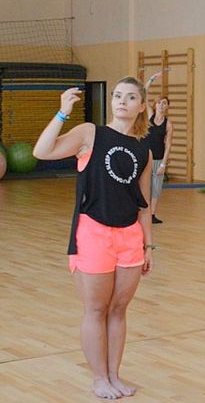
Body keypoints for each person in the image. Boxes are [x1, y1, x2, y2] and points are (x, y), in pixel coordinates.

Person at [33, 77, 154, 399]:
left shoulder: (144, 149)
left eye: (131, 97)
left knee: (118, 310)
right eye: (117, 95)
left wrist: (148, 245)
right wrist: (62, 113)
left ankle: (114, 375)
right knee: (96, 309)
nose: (122, 101)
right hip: (93, 232)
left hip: (129, 236)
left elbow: (144, 204)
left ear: (142, 106)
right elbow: (42, 151)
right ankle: (99, 378)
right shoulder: (90, 133)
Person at [144, 72, 174, 224]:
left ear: (167, 106)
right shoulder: (150, 115)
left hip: (158, 159)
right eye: (159, 103)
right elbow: (144, 93)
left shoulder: (168, 124)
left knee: (156, 189)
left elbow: (168, 145)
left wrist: (163, 164)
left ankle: (152, 214)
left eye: (164, 103)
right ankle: (143, 213)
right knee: (145, 187)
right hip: (146, 158)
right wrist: (151, 79)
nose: (161, 105)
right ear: (155, 105)